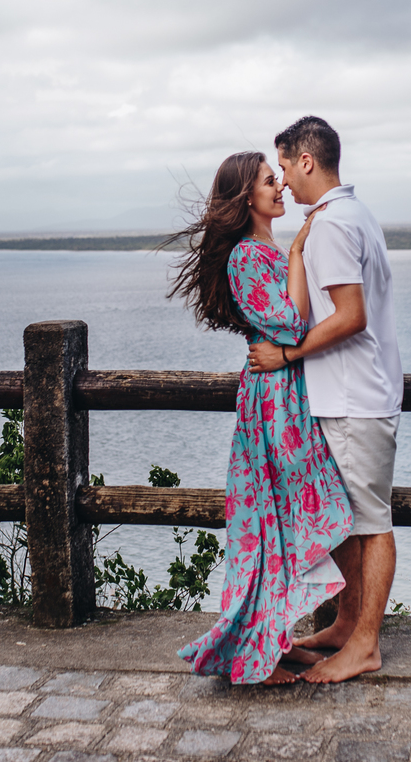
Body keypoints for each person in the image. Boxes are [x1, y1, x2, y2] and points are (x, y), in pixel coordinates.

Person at [168, 150, 352, 686]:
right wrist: (297, 253)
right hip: (273, 401)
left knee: (285, 523)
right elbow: (291, 325)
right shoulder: (249, 257)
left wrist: (293, 253)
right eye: (271, 181)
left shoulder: (264, 249)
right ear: (247, 196)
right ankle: (258, 654)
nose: (281, 187)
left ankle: (270, 639)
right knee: (272, 525)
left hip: (288, 391)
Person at [248, 116, 404, 683]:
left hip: (355, 399)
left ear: (307, 161)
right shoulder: (347, 214)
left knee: (370, 523)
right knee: (345, 521)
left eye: (285, 165)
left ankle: (364, 644)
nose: (283, 179)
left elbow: (351, 316)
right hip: (349, 396)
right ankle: (344, 625)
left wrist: (286, 357)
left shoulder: (335, 224)